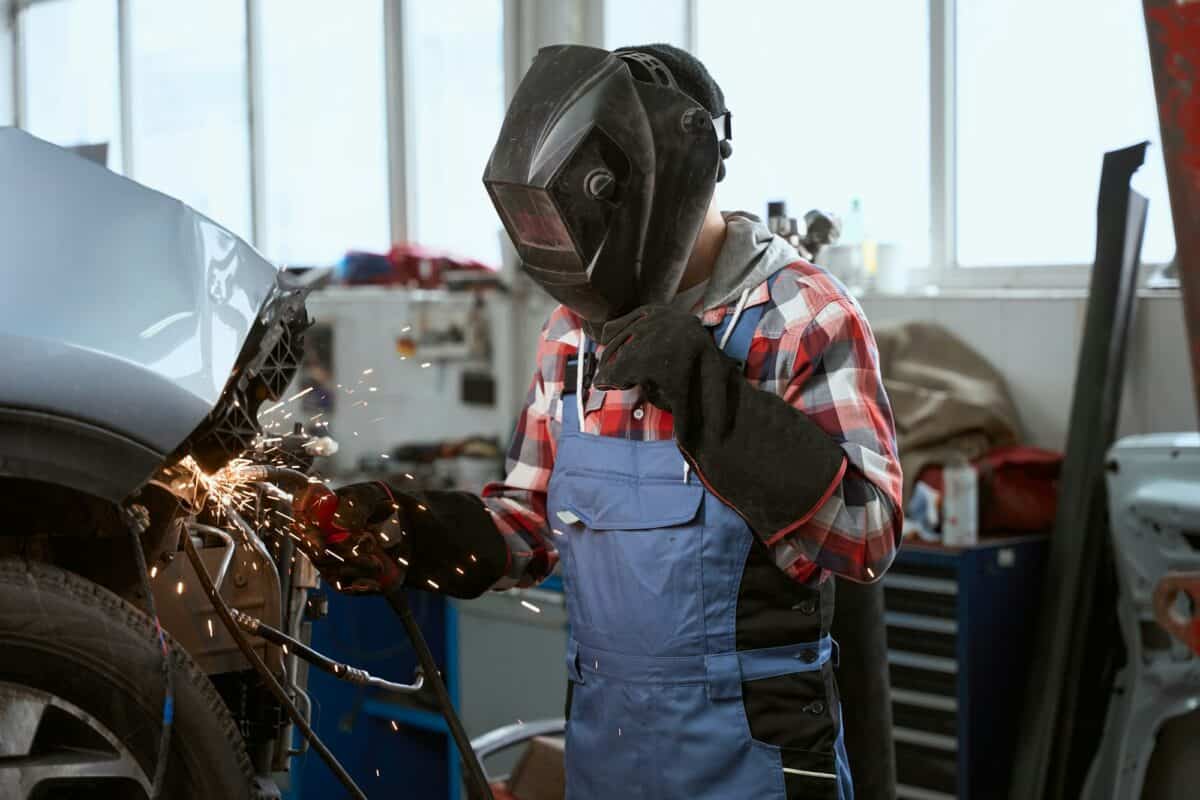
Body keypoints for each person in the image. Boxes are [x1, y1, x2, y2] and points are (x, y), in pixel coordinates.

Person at [296, 43, 902, 800]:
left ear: (669, 178)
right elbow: (532, 521)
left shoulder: (803, 314)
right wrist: (422, 531)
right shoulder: (574, 330)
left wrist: (712, 397)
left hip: (755, 760)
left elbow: (867, 537)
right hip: (608, 758)